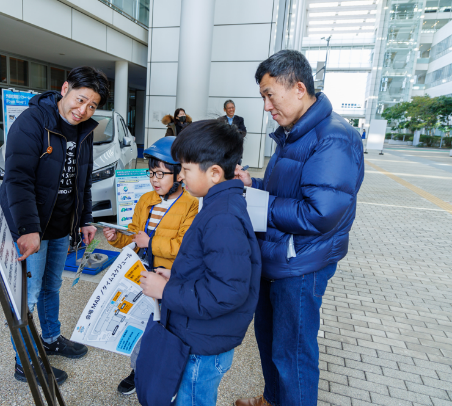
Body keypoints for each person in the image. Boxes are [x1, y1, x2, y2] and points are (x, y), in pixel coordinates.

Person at [233, 50, 364, 406]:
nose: (266, 106)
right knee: (271, 342)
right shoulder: (295, 132)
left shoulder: (334, 137)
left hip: (301, 262)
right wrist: (252, 185)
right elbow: (285, 192)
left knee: (293, 355)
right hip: (278, 255)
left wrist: (260, 204)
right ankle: (273, 400)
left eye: (269, 94)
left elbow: (320, 213)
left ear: (299, 88)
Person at [0, 66, 110, 385]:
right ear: (65, 89)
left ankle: (50, 339)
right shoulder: (32, 122)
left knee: (52, 286)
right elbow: (17, 179)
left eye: (92, 105)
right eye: (80, 99)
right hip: (30, 226)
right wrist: (27, 228)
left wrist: (85, 220)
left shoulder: (85, 129)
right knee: (27, 294)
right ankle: (25, 362)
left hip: (61, 225)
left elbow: (83, 180)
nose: (83, 110)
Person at [140, 120, 262, 406]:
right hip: (201, 334)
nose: (180, 177)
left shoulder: (223, 218)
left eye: (185, 169)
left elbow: (226, 292)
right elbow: (213, 268)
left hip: (203, 344)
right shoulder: (219, 205)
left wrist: (166, 291)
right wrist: (177, 275)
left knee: (193, 399)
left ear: (215, 173)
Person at [102, 136, 198, 396]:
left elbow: (185, 246)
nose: (154, 179)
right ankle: (138, 370)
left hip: (168, 279)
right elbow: (134, 237)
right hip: (140, 274)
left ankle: (166, 377)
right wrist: (116, 238)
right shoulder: (146, 200)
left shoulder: (191, 204)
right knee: (138, 327)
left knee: (165, 331)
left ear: (178, 174)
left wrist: (152, 241)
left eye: (160, 173)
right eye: (151, 172)